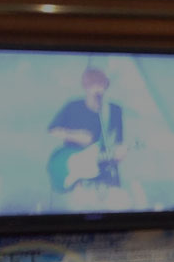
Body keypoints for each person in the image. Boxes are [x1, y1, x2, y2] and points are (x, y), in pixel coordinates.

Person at [46, 67, 126, 201]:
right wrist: (75, 136)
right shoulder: (72, 106)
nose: (98, 89)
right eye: (93, 85)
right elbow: (52, 129)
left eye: (101, 85)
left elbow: (119, 141)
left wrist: (120, 152)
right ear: (86, 87)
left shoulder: (114, 110)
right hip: (80, 178)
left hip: (107, 172)